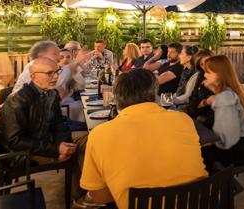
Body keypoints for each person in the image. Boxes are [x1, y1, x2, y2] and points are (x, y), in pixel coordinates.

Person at [80, 69, 207, 208]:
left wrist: (120, 189)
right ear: (155, 93)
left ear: (116, 98)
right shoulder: (183, 120)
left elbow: (98, 196)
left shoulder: (99, 134)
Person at [0, 57, 88, 204]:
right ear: (34, 76)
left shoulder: (51, 93)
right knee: (80, 150)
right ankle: (79, 199)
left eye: (57, 72)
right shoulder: (18, 100)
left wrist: (63, 144)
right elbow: (15, 141)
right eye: (49, 73)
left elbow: (59, 124)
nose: (56, 77)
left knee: (90, 139)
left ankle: (90, 191)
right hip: (24, 154)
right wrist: (55, 150)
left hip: (46, 140)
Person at [200, 55, 244, 170]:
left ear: (220, 75)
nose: (204, 75)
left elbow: (227, 140)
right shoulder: (236, 89)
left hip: (243, 151)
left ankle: (223, 186)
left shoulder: (225, 96)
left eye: (208, 72)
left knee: (200, 155)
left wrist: (209, 142)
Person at [186, 49, 215, 128]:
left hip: (212, 124)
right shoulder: (201, 76)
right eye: (202, 64)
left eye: (207, 62)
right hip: (198, 118)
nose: (205, 66)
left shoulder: (221, 77)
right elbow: (193, 96)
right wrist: (192, 115)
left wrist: (204, 120)